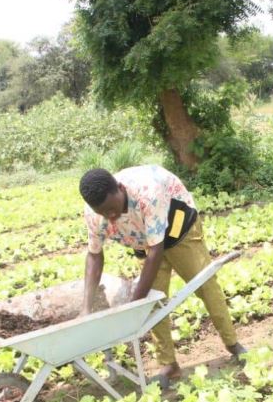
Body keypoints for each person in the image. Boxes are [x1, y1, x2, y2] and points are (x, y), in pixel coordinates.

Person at [79, 165, 247, 386]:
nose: (110, 217)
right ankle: (169, 364)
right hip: (143, 238)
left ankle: (233, 344)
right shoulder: (94, 213)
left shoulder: (148, 191)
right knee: (154, 302)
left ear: (119, 189)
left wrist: (133, 304)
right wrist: (86, 307)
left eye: (112, 208)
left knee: (205, 285)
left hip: (178, 228)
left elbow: (156, 252)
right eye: (104, 213)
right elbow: (94, 255)